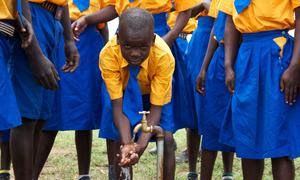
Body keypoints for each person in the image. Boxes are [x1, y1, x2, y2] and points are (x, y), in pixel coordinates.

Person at [31, 1, 114, 180]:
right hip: (59, 34)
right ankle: (32, 175)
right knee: (51, 109)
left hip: (90, 40)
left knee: (84, 113)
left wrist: (105, 46)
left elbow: (109, 15)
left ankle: (84, 174)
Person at [219, 0, 300, 179]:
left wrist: (294, 66)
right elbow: (230, 23)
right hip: (247, 56)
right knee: (248, 135)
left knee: (280, 137)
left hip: (277, 55)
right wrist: (228, 65)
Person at [99, 8, 175, 179]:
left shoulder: (163, 56)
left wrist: (140, 146)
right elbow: (118, 109)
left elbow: (156, 109)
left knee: (167, 137)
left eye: (142, 47)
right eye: (128, 46)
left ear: (153, 41)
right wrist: (128, 145)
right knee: (118, 137)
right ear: (118, 39)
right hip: (124, 91)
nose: (135, 53)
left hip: (154, 92)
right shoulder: (108, 54)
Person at [10, 0, 79, 179]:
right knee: (27, 117)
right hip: (30, 18)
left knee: (41, 116)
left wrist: (68, 38)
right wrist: (35, 53)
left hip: (54, 20)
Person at [196, 0, 235, 179]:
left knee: (238, 124)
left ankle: (228, 172)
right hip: (219, 61)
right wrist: (204, 67)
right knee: (211, 122)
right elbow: (216, 30)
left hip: (243, 56)